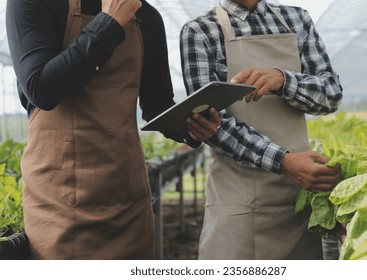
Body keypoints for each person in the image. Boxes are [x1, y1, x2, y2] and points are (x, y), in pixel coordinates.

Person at [6, 0, 219, 259]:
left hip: (128, 200)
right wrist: (109, 23)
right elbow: (41, 89)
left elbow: (157, 104)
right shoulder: (34, 3)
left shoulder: (146, 17)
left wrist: (191, 128)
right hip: (58, 203)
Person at [180, 0, 343, 259]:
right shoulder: (201, 31)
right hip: (239, 200)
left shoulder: (296, 19)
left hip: (299, 199)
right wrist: (284, 161)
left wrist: (284, 80)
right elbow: (213, 125)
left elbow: (331, 94)